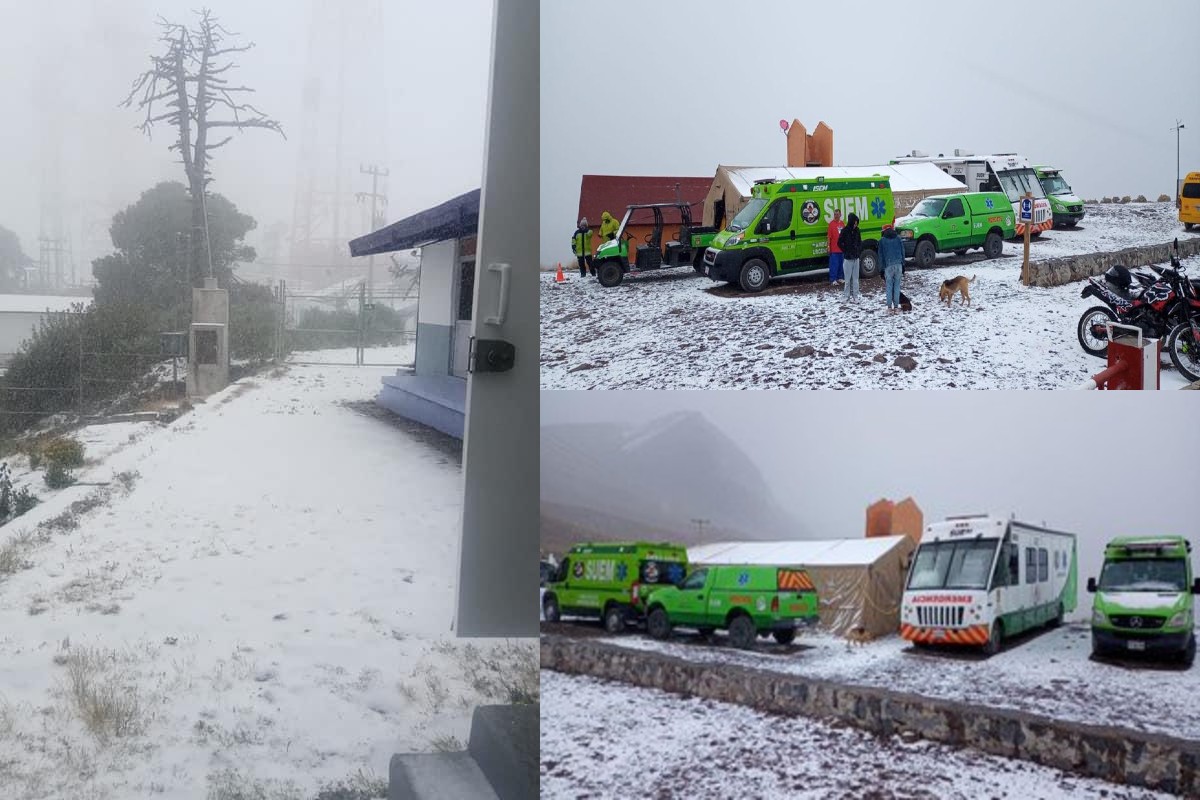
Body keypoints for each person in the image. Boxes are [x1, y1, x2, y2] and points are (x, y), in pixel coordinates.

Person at [879, 223, 905, 312]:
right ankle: (896, 306)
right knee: (897, 286)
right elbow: (903, 251)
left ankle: (889, 307)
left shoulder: (882, 241)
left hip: (888, 265)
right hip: (898, 265)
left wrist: (881, 269)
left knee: (889, 286)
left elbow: (881, 256)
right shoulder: (898, 238)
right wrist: (903, 264)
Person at [837, 212, 862, 300]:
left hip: (856, 257)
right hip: (848, 258)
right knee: (847, 280)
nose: (855, 225)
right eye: (854, 223)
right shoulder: (844, 230)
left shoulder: (857, 230)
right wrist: (845, 250)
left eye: (856, 223)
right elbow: (839, 242)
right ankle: (846, 295)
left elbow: (859, 242)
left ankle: (856, 295)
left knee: (856, 279)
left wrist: (858, 250)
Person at [826, 208, 844, 285]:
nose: (836, 216)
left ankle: (840, 278)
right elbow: (829, 237)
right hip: (834, 249)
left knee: (841, 264)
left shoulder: (842, 224)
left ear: (840, 215)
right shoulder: (831, 224)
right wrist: (828, 246)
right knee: (834, 265)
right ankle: (833, 279)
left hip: (842, 249)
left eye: (837, 214)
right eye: (835, 214)